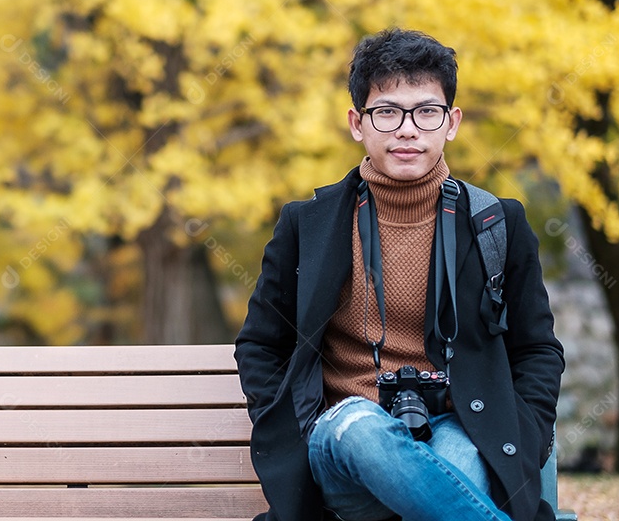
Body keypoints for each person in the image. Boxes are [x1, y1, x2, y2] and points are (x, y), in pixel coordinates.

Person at [235, 28, 565, 521]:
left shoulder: (496, 222)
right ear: (357, 123)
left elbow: (537, 349)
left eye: (426, 111)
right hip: (341, 440)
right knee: (361, 426)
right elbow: (261, 345)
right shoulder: (308, 226)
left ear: (451, 123)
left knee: (458, 466)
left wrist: (525, 428)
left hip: (458, 427)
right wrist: (284, 424)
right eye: (387, 112)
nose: (407, 130)